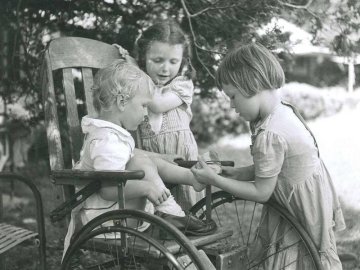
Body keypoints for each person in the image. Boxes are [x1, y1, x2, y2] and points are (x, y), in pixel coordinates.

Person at [191, 43, 346, 270]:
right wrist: (228, 172)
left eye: (233, 97)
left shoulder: (270, 133)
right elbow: (270, 169)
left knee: (300, 260)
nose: (231, 105)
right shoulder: (283, 111)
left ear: (251, 84)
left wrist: (215, 181)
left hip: (300, 208)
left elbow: (262, 192)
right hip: (305, 202)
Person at [63, 59, 216, 257]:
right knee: (139, 160)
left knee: (140, 157)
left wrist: (162, 157)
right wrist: (147, 187)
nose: (146, 113)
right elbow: (109, 189)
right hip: (108, 221)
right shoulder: (106, 140)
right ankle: (172, 211)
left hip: (117, 215)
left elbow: (133, 154)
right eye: (144, 106)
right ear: (121, 102)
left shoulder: (111, 134)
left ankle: (191, 179)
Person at [115, 20, 202, 211]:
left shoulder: (182, 85)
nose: (165, 68)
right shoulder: (139, 85)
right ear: (143, 57)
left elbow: (158, 105)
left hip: (180, 154)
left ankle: (188, 226)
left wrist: (135, 70)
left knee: (186, 205)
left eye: (173, 62)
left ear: (183, 61)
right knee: (156, 203)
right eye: (157, 60)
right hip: (151, 155)